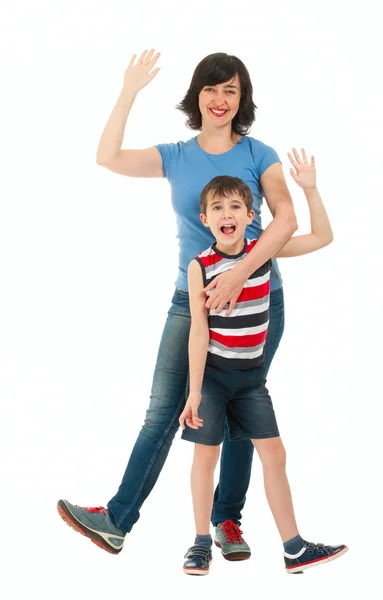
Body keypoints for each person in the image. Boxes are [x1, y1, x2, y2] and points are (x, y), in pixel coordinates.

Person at [57, 50, 298, 557]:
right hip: (191, 300)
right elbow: (107, 157)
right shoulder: (176, 155)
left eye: (230, 90)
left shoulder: (260, 154)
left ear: (242, 99)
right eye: (211, 89)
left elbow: (285, 220)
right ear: (197, 95)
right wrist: (128, 90)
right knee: (164, 410)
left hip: (256, 299)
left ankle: (227, 524)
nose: (220, 98)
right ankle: (117, 519)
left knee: (239, 412)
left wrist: (237, 274)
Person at [179, 153, 348, 575]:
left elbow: (323, 237)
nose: (227, 213)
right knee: (206, 457)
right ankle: (201, 542)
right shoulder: (200, 266)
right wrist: (195, 391)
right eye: (217, 208)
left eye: (235, 206)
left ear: (251, 215)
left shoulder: (264, 253)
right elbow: (199, 332)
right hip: (214, 380)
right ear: (205, 218)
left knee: (275, 455)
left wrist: (309, 188)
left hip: (251, 381)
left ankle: (294, 548)